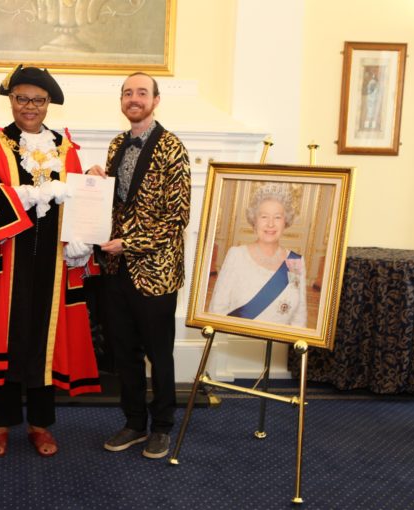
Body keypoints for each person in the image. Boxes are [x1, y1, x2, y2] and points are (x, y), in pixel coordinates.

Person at [0, 64, 101, 458]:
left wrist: (81, 241)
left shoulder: (64, 147)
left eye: (38, 100)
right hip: (10, 259)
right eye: (22, 98)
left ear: (48, 104)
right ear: (11, 100)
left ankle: (40, 425)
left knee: (46, 339)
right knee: (7, 338)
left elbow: (78, 200)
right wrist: (26, 197)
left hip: (52, 264)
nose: (29, 107)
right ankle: (1, 425)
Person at [88, 72, 191, 459]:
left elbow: (176, 218)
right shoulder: (118, 144)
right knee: (124, 352)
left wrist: (129, 243)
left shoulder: (172, 148)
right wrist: (97, 181)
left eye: (142, 93)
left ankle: (162, 426)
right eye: (128, 93)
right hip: (117, 271)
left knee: (159, 354)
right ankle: (134, 422)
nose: (134, 98)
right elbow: (118, 203)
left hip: (156, 272)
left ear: (156, 100)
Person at [208, 183, 307, 327]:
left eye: (278, 217)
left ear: (286, 221)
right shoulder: (236, 255)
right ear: (254, 221)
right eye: (264, 217)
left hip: (278, 346)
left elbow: (300, 316)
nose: (270, 224)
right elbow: (217, 309)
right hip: (237, 342)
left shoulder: (295, 262)